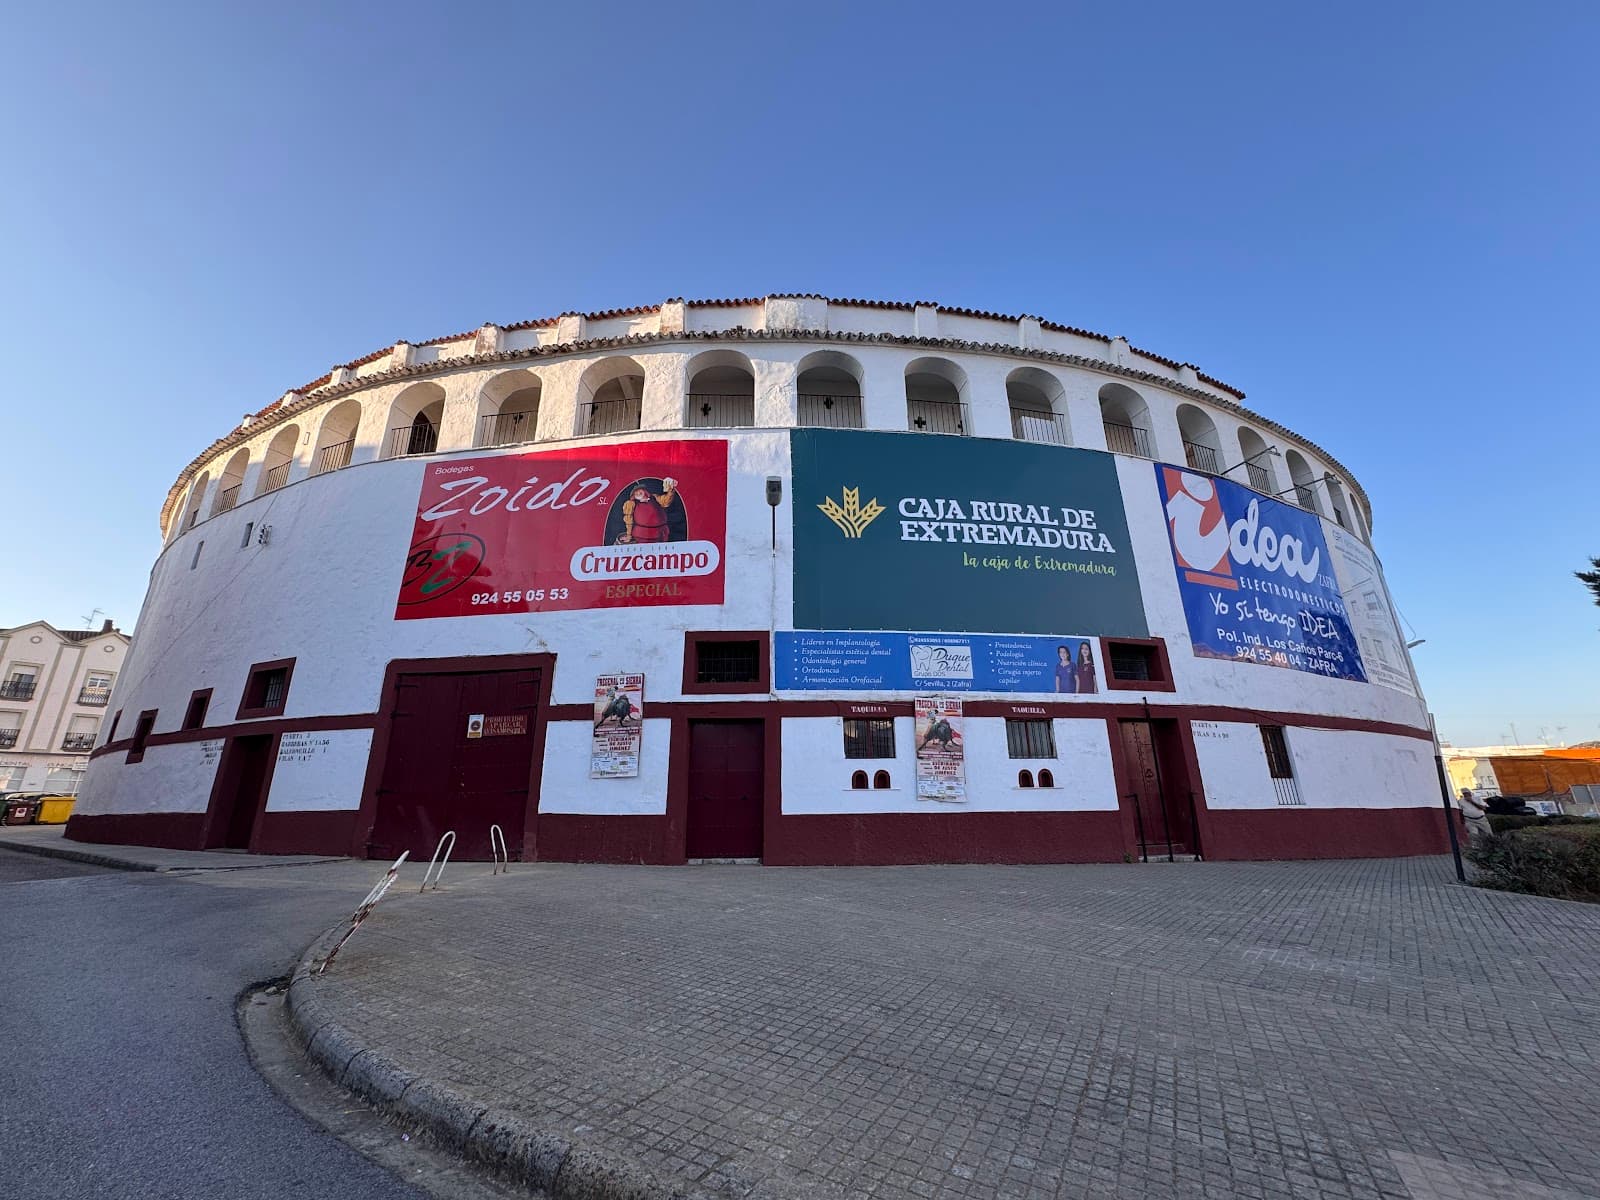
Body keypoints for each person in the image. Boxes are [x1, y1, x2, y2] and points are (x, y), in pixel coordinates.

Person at [618, 477, 678, 544]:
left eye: (639, 490)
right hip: (641, 536)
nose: (638, 493)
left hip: (661, 534)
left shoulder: (655, 498)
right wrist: (629, 535)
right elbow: (628, 520)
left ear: (644, 491)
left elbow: (666, 501)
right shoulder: (631, 504)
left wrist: (671, 489)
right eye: (635, 493)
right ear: (633, 496)